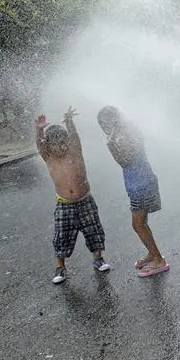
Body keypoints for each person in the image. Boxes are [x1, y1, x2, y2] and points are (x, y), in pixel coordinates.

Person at [36, 108, 110, 284]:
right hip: (64, 204)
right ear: (49, 146)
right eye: (56, 144)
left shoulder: (75, 151)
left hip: (85, 201)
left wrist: (69, 121)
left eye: (64, 142)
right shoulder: (49, 157)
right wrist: (38, 129)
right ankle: (60, 267)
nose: (61, 147)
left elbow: (74, 136)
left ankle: (98, 258)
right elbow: (39, 144)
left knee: (94, 231)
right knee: (61, 236)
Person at [97, 106, 170, 278]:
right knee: (142, 223)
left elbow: (125, 161)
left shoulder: (123, 135)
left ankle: (159, 260)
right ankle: (153, 254)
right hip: (143, 181)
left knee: (137, 225)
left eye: (104, 123)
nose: (104, 127)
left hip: (140, 185)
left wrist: (111, 145)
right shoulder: (129, 129)